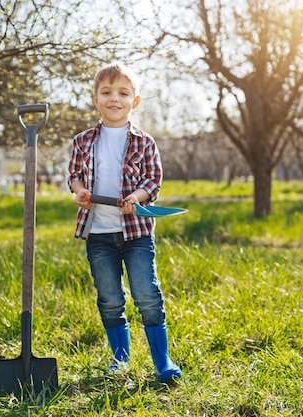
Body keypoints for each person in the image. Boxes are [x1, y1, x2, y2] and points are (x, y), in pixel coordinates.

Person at [67, 62, 182, 383]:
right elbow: (75, 176)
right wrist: (80, 193)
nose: (114, 98)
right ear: (95, 98)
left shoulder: (144, 142)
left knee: (147, 294)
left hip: (136, 235)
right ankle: (120, 360)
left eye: (122, 93)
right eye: (106, 92)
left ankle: (163, 362)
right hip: (99, 234)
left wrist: (137, 197)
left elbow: (153, 179)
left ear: (135, 101)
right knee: (109, 297)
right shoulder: (83, 141)